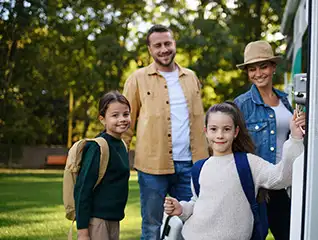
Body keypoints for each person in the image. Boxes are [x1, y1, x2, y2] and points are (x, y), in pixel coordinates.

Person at [163, 102, 305, 240]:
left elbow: (282, 177)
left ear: (235, 132)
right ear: (206, 131)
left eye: (226, 129)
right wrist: (181, 208)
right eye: (213, 129)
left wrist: (295, 138)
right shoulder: (199, 167)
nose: (220, 135)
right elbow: (197, 202)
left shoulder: (248, 163)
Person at [121, 24, 209, 239]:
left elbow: (201, 122)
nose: (164, 49)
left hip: (191, 165)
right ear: (150, 50)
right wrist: (118, 157)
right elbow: (126, 125)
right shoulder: (137, 79)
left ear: (174, 44)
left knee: (196, 222)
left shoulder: (191, 78)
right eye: (157, 45)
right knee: (151, 225)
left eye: (167, 43)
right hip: (152, 166)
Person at [234, 40, 294, 240]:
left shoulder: (287, 101)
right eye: (252, 69)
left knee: (288, 234)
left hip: (283, 184)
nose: (258, 73)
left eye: (263, 66)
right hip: (256, 186)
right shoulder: (241, 105)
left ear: (273, 67)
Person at [74, 91, 131, 240]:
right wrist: (82, 232)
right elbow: (82, 189)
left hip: (114, 219)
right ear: (102, 119)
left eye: (126, 114)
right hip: (97, 222)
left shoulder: (122, 145)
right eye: (115, 115)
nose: (122, 119)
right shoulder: (98, 147)